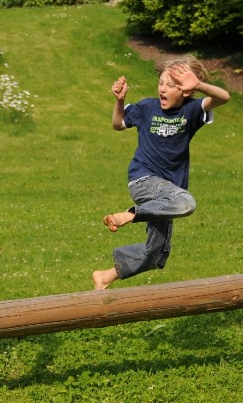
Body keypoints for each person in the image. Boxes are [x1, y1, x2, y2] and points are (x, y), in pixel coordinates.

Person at [92, 56, 231, 289]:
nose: (162, 89)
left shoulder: (191, 111)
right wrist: (119, 101)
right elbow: (118, 124)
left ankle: (105, 277)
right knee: (187, 203)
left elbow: (223, 97)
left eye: (170, 85)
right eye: (161, 83)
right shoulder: (146, 107)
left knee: (156, 252)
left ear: (185, 91)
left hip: (166, 197)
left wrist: (198, 85)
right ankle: (131, 214)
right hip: (143, 180)